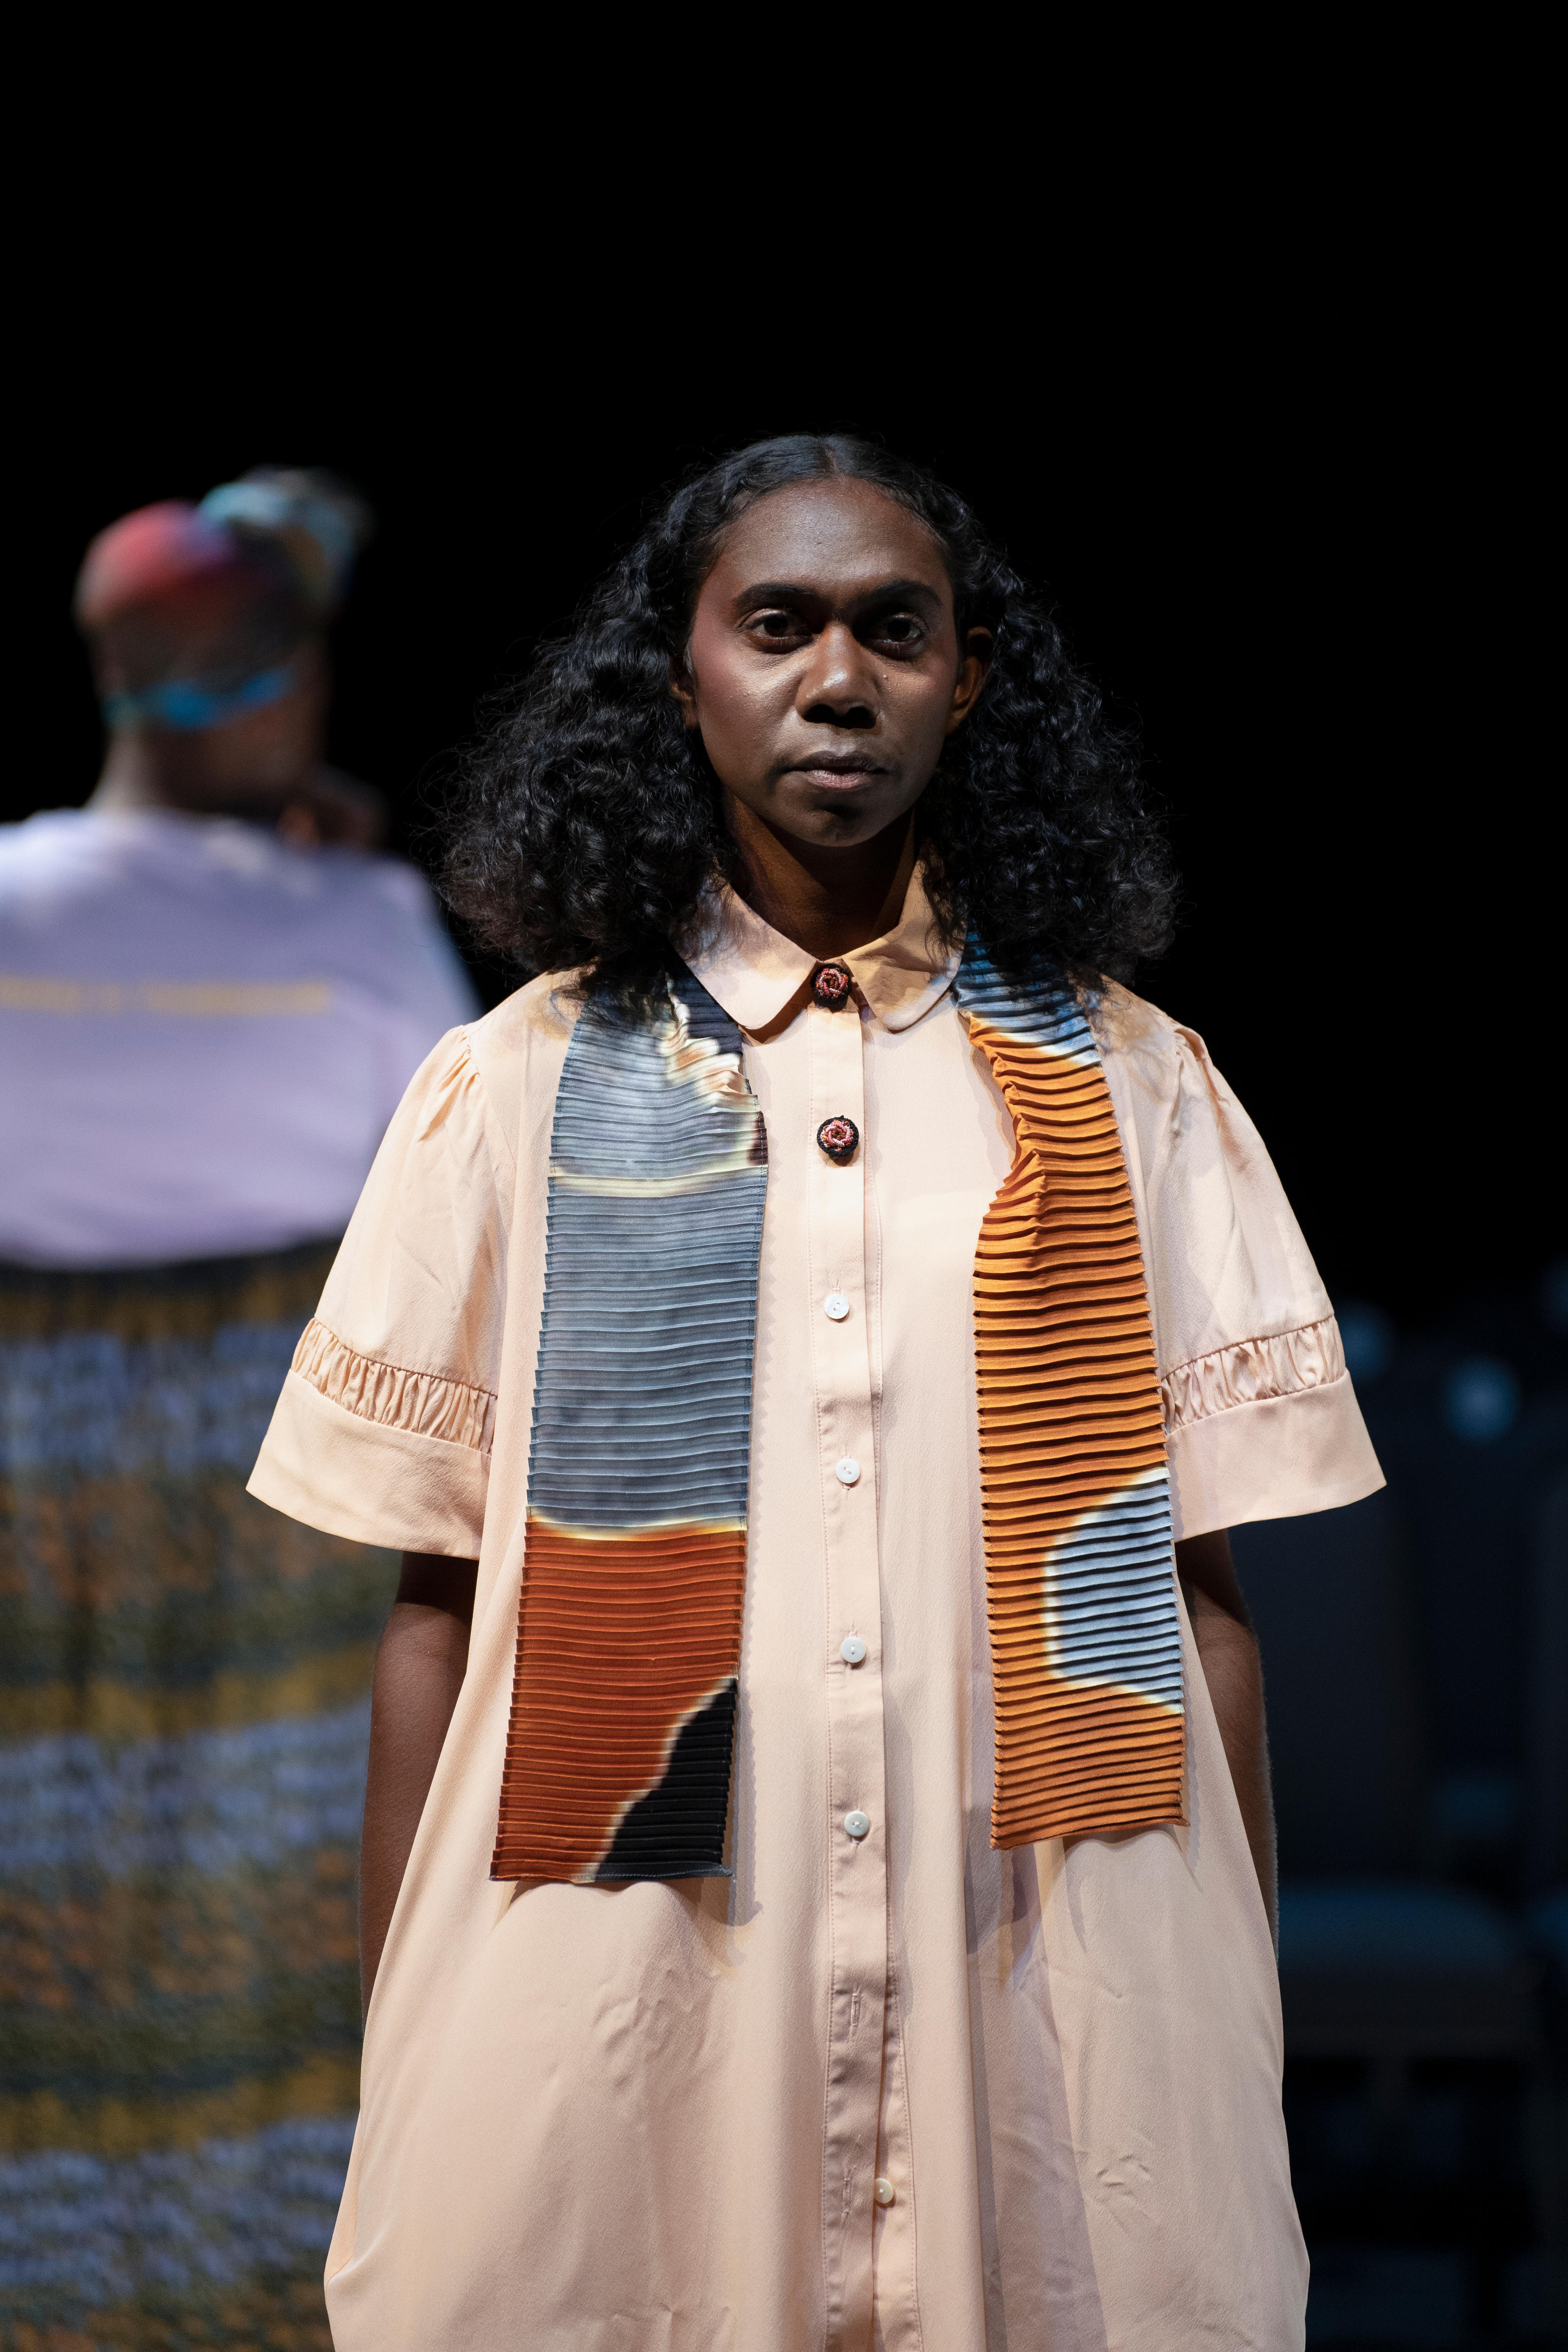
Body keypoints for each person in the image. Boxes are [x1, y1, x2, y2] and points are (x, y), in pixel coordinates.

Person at [247, 436, 1382, 2350]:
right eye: (777, 625)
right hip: (638, 1978)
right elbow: (431, 1614)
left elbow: (1200, 1601)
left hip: (1043, 1948)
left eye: (894, 629)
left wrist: (1226, 2010)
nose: (837, 678)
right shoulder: (520, 1085)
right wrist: (412, 2035)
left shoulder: (1126, 1085)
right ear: (683, 672)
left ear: (970, 678)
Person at [0, 473, 477, 2341]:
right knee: (282, 1901)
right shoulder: (360, 929)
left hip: (29, 1485)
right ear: (278, 684)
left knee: (41, 1889)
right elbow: (460, 1215)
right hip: (293, 1489)